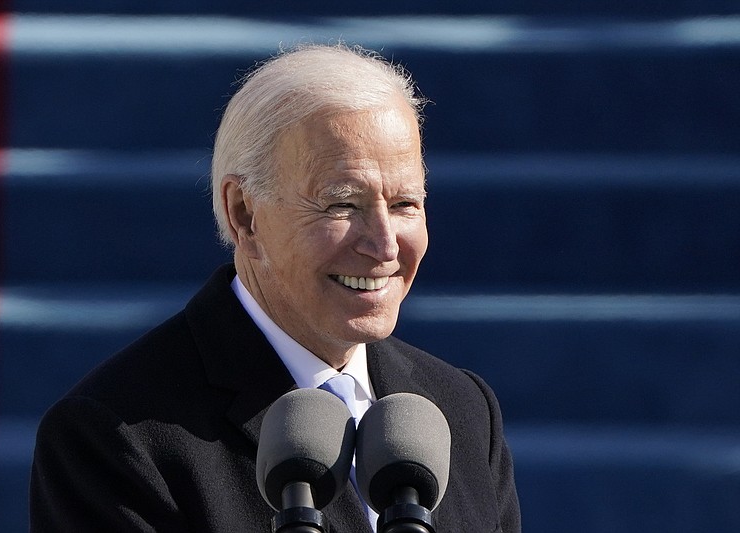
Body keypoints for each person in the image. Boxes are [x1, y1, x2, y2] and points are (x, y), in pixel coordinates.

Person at [30, 43, 521, 532]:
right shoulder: (113, 438)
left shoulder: (461, 410)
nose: (384, 245)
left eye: (404, 204)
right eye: (342, 204)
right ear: (244, 213)